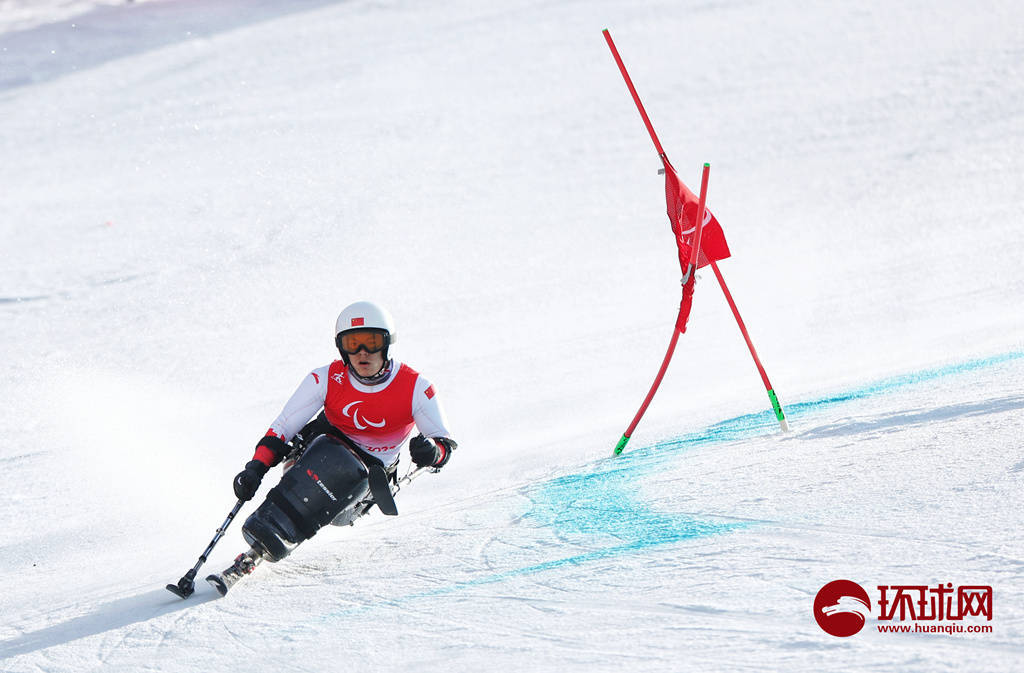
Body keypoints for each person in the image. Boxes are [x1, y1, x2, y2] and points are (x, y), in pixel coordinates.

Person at [208, 300, 457, 594]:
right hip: (320, 450)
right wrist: (256, 468)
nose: (362, 353)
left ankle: (268, 543)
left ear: (387, 344)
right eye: (353, 344)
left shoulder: (415, 386)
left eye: (371, 342)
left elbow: (444, 446)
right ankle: (259, 548)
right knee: (328, 458)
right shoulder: (325, 378)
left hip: (366, 476)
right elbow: (283, 427)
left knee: (341, 469)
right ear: (341, 348)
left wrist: (431, 452)